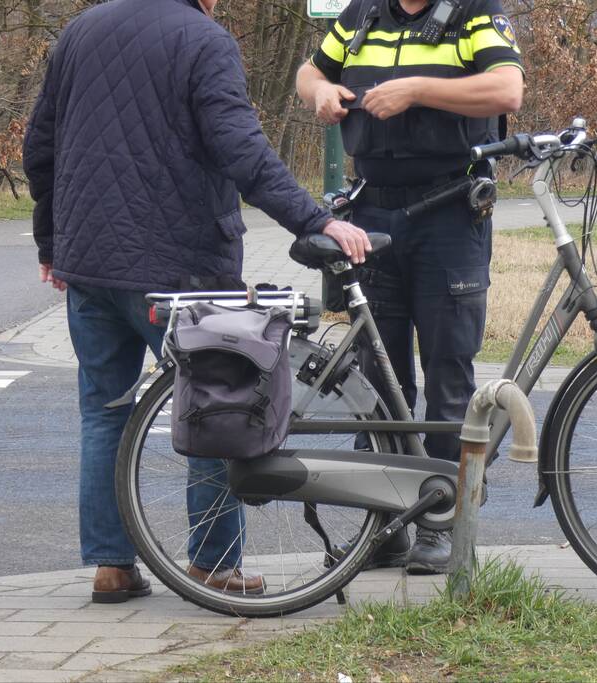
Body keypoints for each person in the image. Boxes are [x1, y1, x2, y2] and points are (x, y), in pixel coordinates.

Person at [22, 0, 371, 603]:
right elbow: (242, 153)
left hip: (90, 264)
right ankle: (212, 564)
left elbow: (40, 146)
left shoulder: (79, 32)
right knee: (217, 400)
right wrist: (313, 219)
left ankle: (112, 565)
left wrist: (51, 242)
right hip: (180, 265)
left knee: (104, 412)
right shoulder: (204, 41)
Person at [295, 0, 523, 574]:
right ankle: (384, 524)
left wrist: (416, 89)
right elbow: (309, 70)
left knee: (448, 373)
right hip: (372, 212)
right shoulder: (363, 13)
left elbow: (506, 91)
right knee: (377, 378)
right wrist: (318, 91)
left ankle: (439, 521)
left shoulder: (474, 13)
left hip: (449, 214)